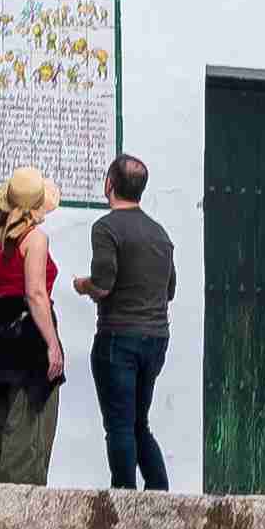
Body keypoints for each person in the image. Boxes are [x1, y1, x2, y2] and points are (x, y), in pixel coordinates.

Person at [81, 154, 179, 490]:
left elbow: (103, 284)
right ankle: (159, 492)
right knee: (139, 423)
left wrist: (83, 286)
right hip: (156, 339)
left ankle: (124, 498)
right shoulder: (160, 234)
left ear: (109, 184)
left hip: (118, 337)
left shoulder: (106, 228)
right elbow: (170, 290)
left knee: (120, 426)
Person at [0, 168, 68, 486]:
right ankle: (20, 504)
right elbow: (35, 294)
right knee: (28, 431)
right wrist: (52, 344)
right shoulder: (35, 238)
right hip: (31, 339)